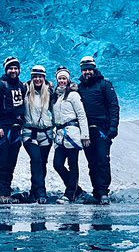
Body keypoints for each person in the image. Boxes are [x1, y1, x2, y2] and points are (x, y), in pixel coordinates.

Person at [78, 56, 119, 205]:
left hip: (102, 130)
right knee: (92, 163)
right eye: (84, 70)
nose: (87, 72)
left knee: (103, 160)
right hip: (86, 132)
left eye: (89, 69)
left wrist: (113, 127)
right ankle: (96, 192)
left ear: (94, 69)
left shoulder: (105, 85)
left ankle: (103, 193)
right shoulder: (80, 88)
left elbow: (113, 106)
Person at [0, 56, 26, 204]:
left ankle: (7, 193)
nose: (13, 71)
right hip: (3, 129)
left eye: (15, 68)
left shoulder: (21, 86)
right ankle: (0, 194)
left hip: (15, 130)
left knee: (11, 162)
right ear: (6, 69)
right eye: (11, 68)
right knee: (1, 162)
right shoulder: (0, 85)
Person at [52, 66, 90, 204]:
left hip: (73, 134)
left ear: (68, 80)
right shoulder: (56, 97)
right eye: (60, 78)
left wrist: (85, 135)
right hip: (60, 135)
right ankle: (76, 190)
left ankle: (70, 194)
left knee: (73, 164)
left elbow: (81, 115)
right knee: (57, 164)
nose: (62, 81)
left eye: (64, 78)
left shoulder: (74, 95)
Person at [20, 65, 54, 204]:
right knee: (36, 160)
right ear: (31, 78)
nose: (38, 79)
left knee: (42, 163)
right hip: (29, 133)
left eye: (40, 76)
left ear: (44, 77)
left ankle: (34, 192)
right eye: (35, 77)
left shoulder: (50, 92)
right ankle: (41, 192)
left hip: (46, 133)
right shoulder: (25, 91)